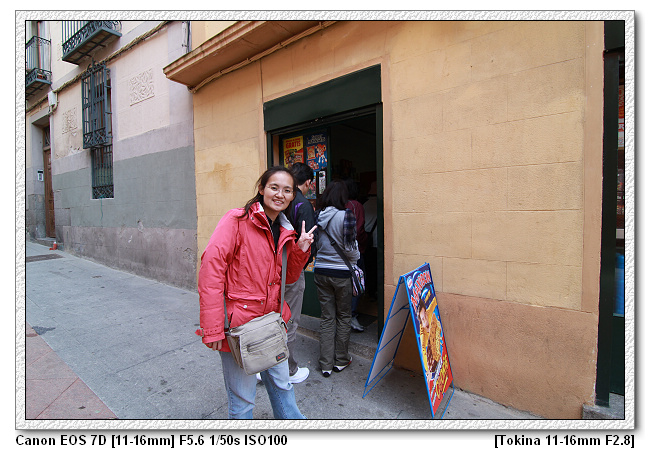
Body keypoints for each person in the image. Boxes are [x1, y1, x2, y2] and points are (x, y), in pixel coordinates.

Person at [197, 166, 316, 419]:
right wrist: (213, 328)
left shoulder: (285, 230)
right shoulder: (237, 220)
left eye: (287, 190)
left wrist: (300, 249)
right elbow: (211, 271)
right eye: (274, 187)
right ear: (261, 189)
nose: (280, 194)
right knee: (243, 401)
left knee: (283, 386)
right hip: (239, 327)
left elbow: (288, 278)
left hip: (271, 324)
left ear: (293, 196)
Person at [313, 180, 360, 377]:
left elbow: (316, 244)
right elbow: (350, 248)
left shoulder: (318, 215)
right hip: (341, 273)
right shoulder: (346, 215)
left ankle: (325, 364)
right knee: (343, 316)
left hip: (321, 271)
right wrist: (356, 257)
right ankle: (340, 360)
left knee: (327, 317)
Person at [282, 162, 316, 383]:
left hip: (273, 268)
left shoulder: (280, 202)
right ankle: (288, 370)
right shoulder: (302, 204)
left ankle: (264, 366)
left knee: (272, 318)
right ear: (309, 183)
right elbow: (309, 243)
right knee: (289, 321)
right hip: (291, 269)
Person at [344, 178, 367, 332]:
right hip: (354, 252)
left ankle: (344, 315)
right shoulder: (356, 205)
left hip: (339, 253)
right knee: (357, 282)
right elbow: (358, 229)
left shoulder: (339, 205)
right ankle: (351, 315)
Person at [363, 181, 378, 300]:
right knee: (377, 268)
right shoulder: (380, 204)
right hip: (378, 241)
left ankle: (370, 292)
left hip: (368, 241)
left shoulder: (365, 205)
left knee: (369, 268)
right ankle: (375, 291)